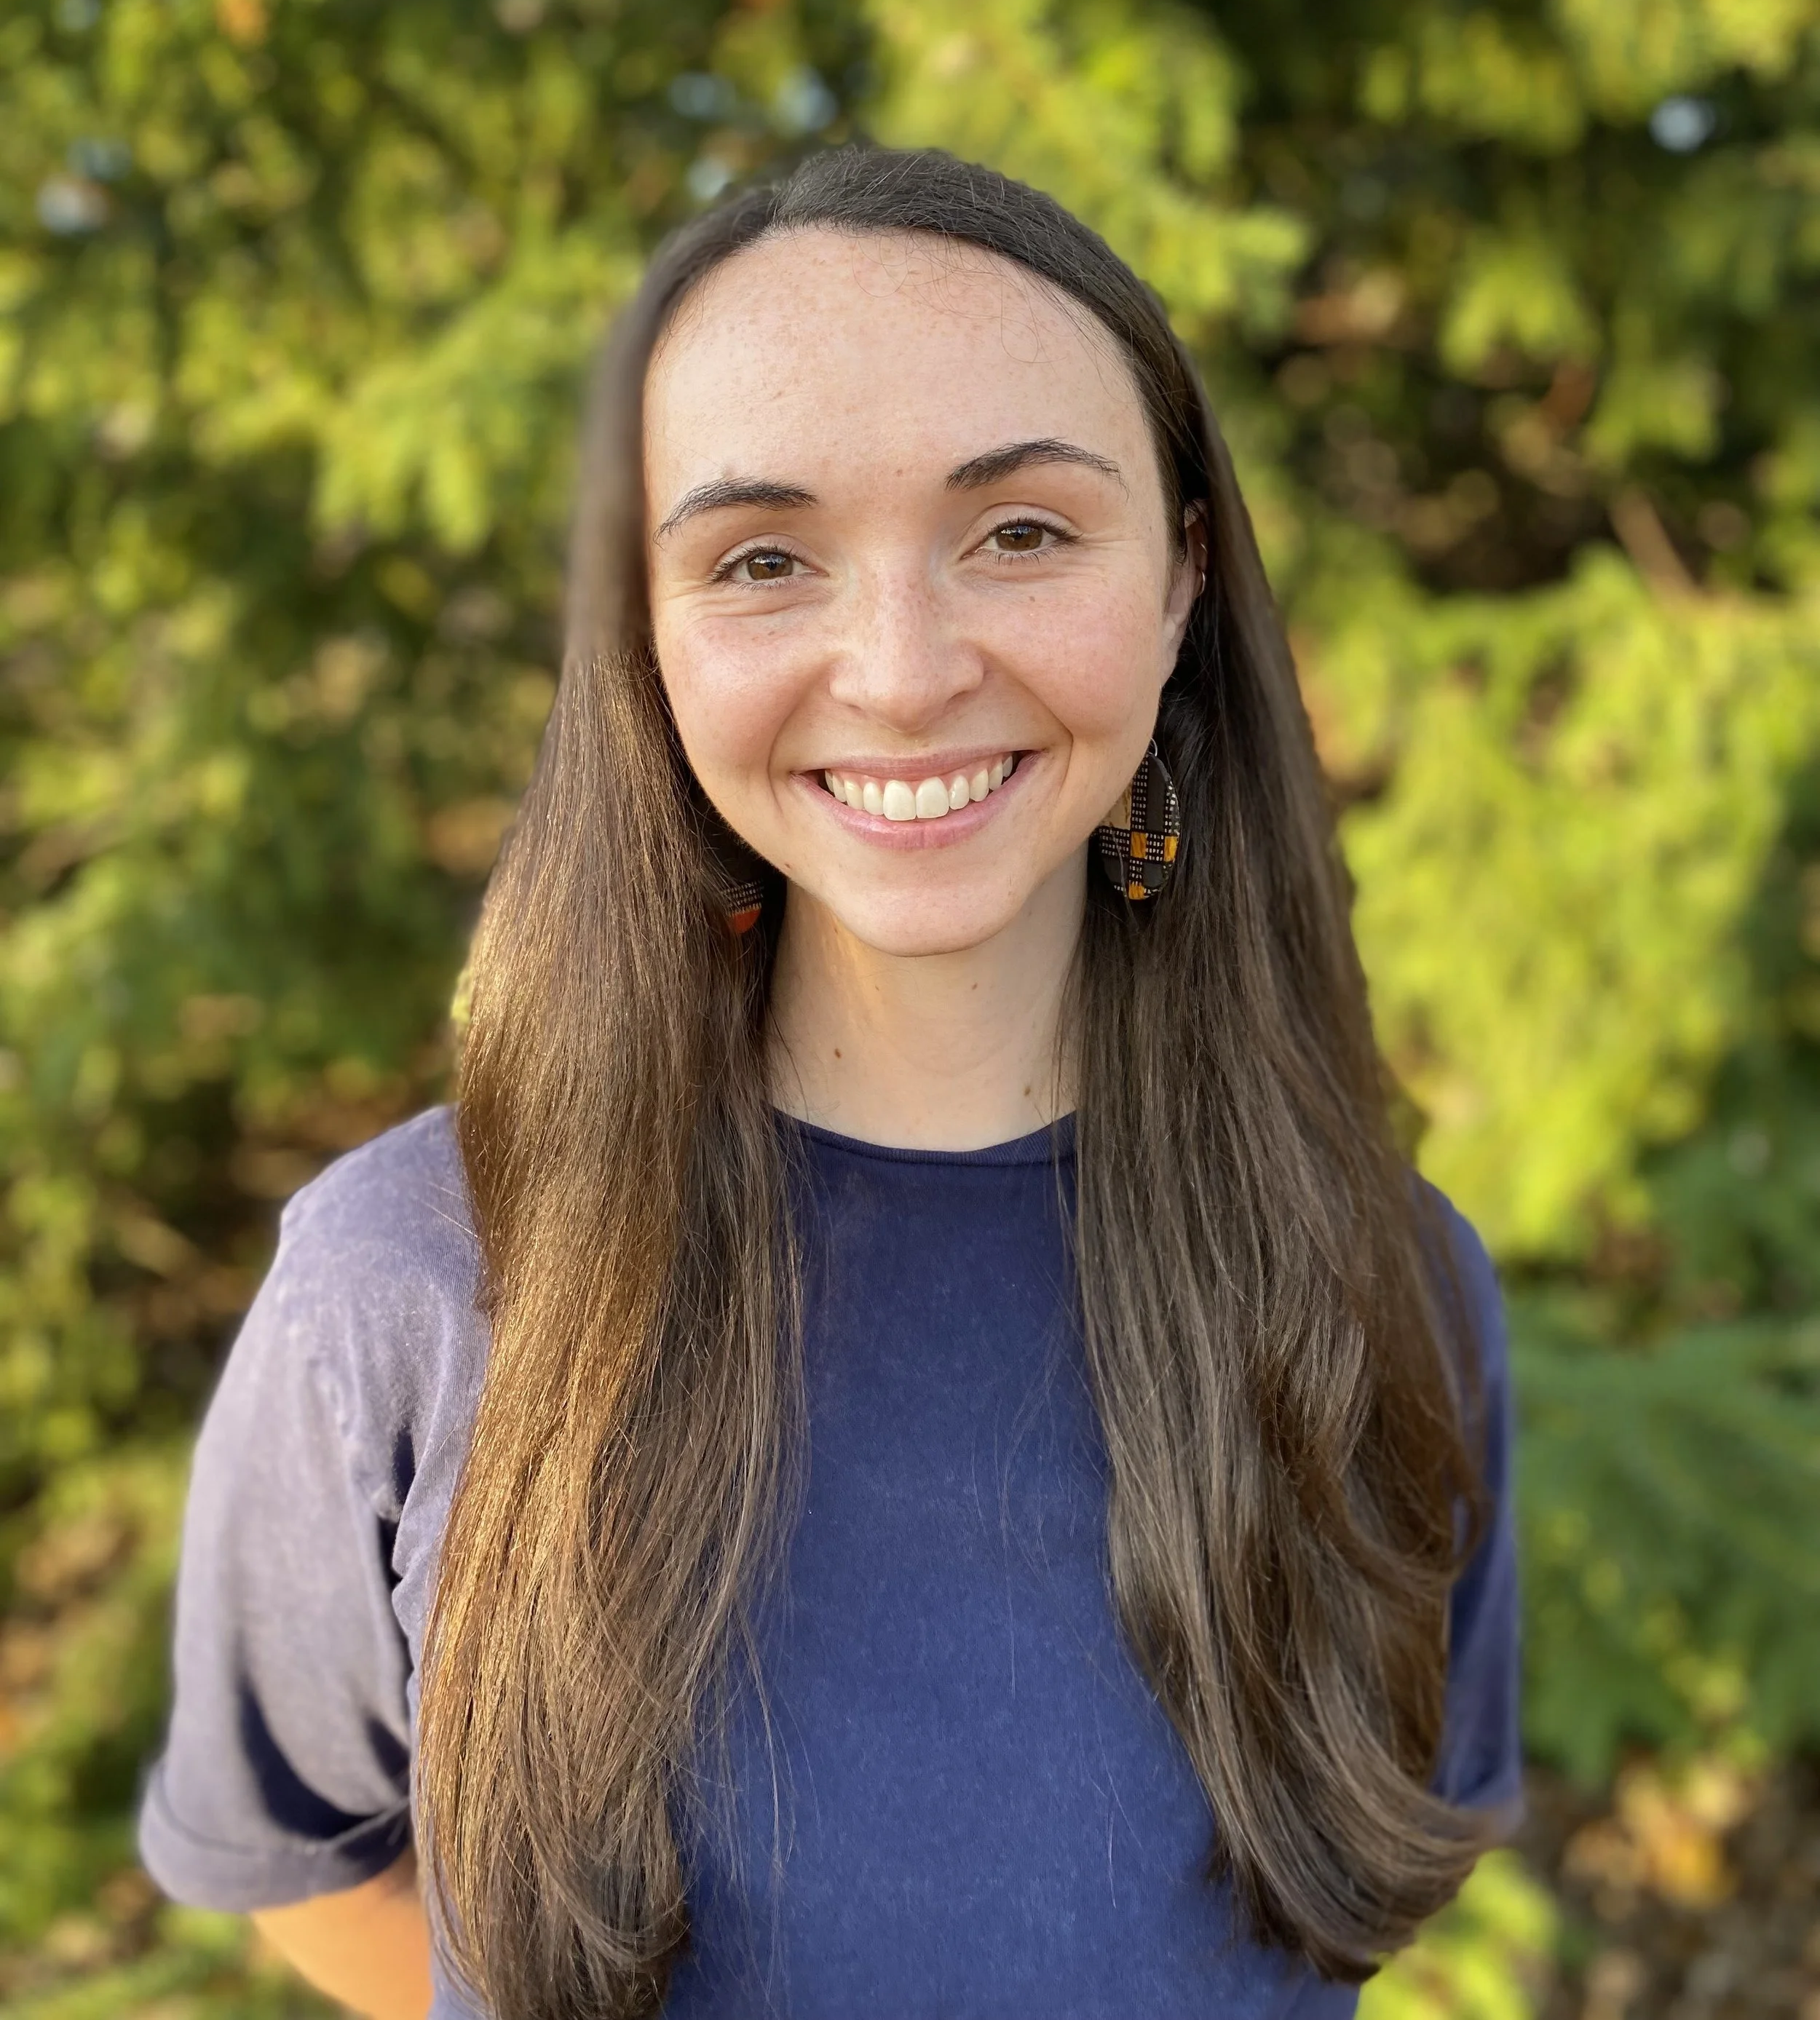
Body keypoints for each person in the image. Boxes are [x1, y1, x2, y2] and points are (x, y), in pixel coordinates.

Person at [138, 146, 1521, 2020]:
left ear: (1183, 575)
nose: (900, 670)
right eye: (762, 558)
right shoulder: (400, 1284)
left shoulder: (1391, 1289)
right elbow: (304, 1862)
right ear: (643, 630)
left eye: (1020, 531)